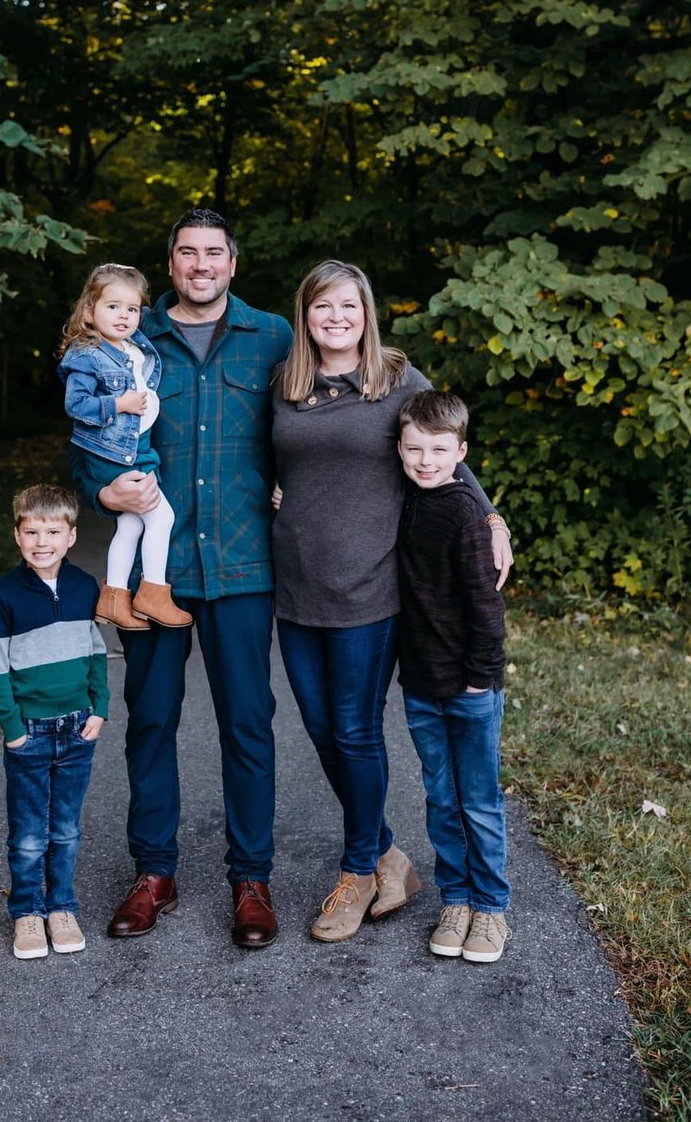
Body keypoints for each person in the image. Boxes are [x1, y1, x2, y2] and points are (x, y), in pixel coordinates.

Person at [270, 260, 511, 943]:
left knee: (354, 729)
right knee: (320, 729)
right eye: (323, 306)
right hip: (298, 587)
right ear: (306, 314)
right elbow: (274, 462)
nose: (336, 317)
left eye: (349, 305)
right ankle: (386, 853)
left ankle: (359, 870)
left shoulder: (398, 379)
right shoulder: (286, 383)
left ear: (367, 311)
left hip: (371, 588)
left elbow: (448, 454)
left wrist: (491, 520)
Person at [70, 208, 293, 948]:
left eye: (214, 253)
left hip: (241, 563)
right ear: (171, 265)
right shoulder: (129, 335)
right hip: (154, 576)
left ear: (233, 261)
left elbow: (369, 397)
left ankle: (251, 878)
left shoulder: (274, 337)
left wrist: (482, 507)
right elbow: (88, 434)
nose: (201, 264)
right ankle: (154, 872)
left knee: (249, 723)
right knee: (153, 717)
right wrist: (100, 491)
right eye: (187, 253)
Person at [396, 389, 511, 963]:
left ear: (460, 451)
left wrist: (480, 679)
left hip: (469, 687)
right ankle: (456, 899)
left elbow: (486, 607)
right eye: (414, 448)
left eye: (439, 450)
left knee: (479, 802)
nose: (425, 460)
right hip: (420, 684)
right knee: (441, 800)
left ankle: (491, 909)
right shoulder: (407, 499)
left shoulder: (466, 514)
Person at [0, 484, 109, 960]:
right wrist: (11, 726)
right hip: (29, 733)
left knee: (67, 829)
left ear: (71, 536)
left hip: (78, 727)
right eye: (32, 531)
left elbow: (97, 652)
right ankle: (27, 914)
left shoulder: (83, 588)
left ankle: (61, 907)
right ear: (17, 535)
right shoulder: (5, 594)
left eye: (53, 532)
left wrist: (100, 707)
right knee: (30, 833)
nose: (42, 542)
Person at [58, 262, 192, 631]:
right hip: (115, 453)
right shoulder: (88, 354)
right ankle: (153, 593)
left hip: (135, 447)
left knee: (132, 524)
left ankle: (114, 598)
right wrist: (121, 404)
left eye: (132, 309)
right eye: (112, 306)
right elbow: (77, 405)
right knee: (161, 518)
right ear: (89, 311)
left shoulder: (131, 345)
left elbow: (146, 319)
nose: (124, 315)